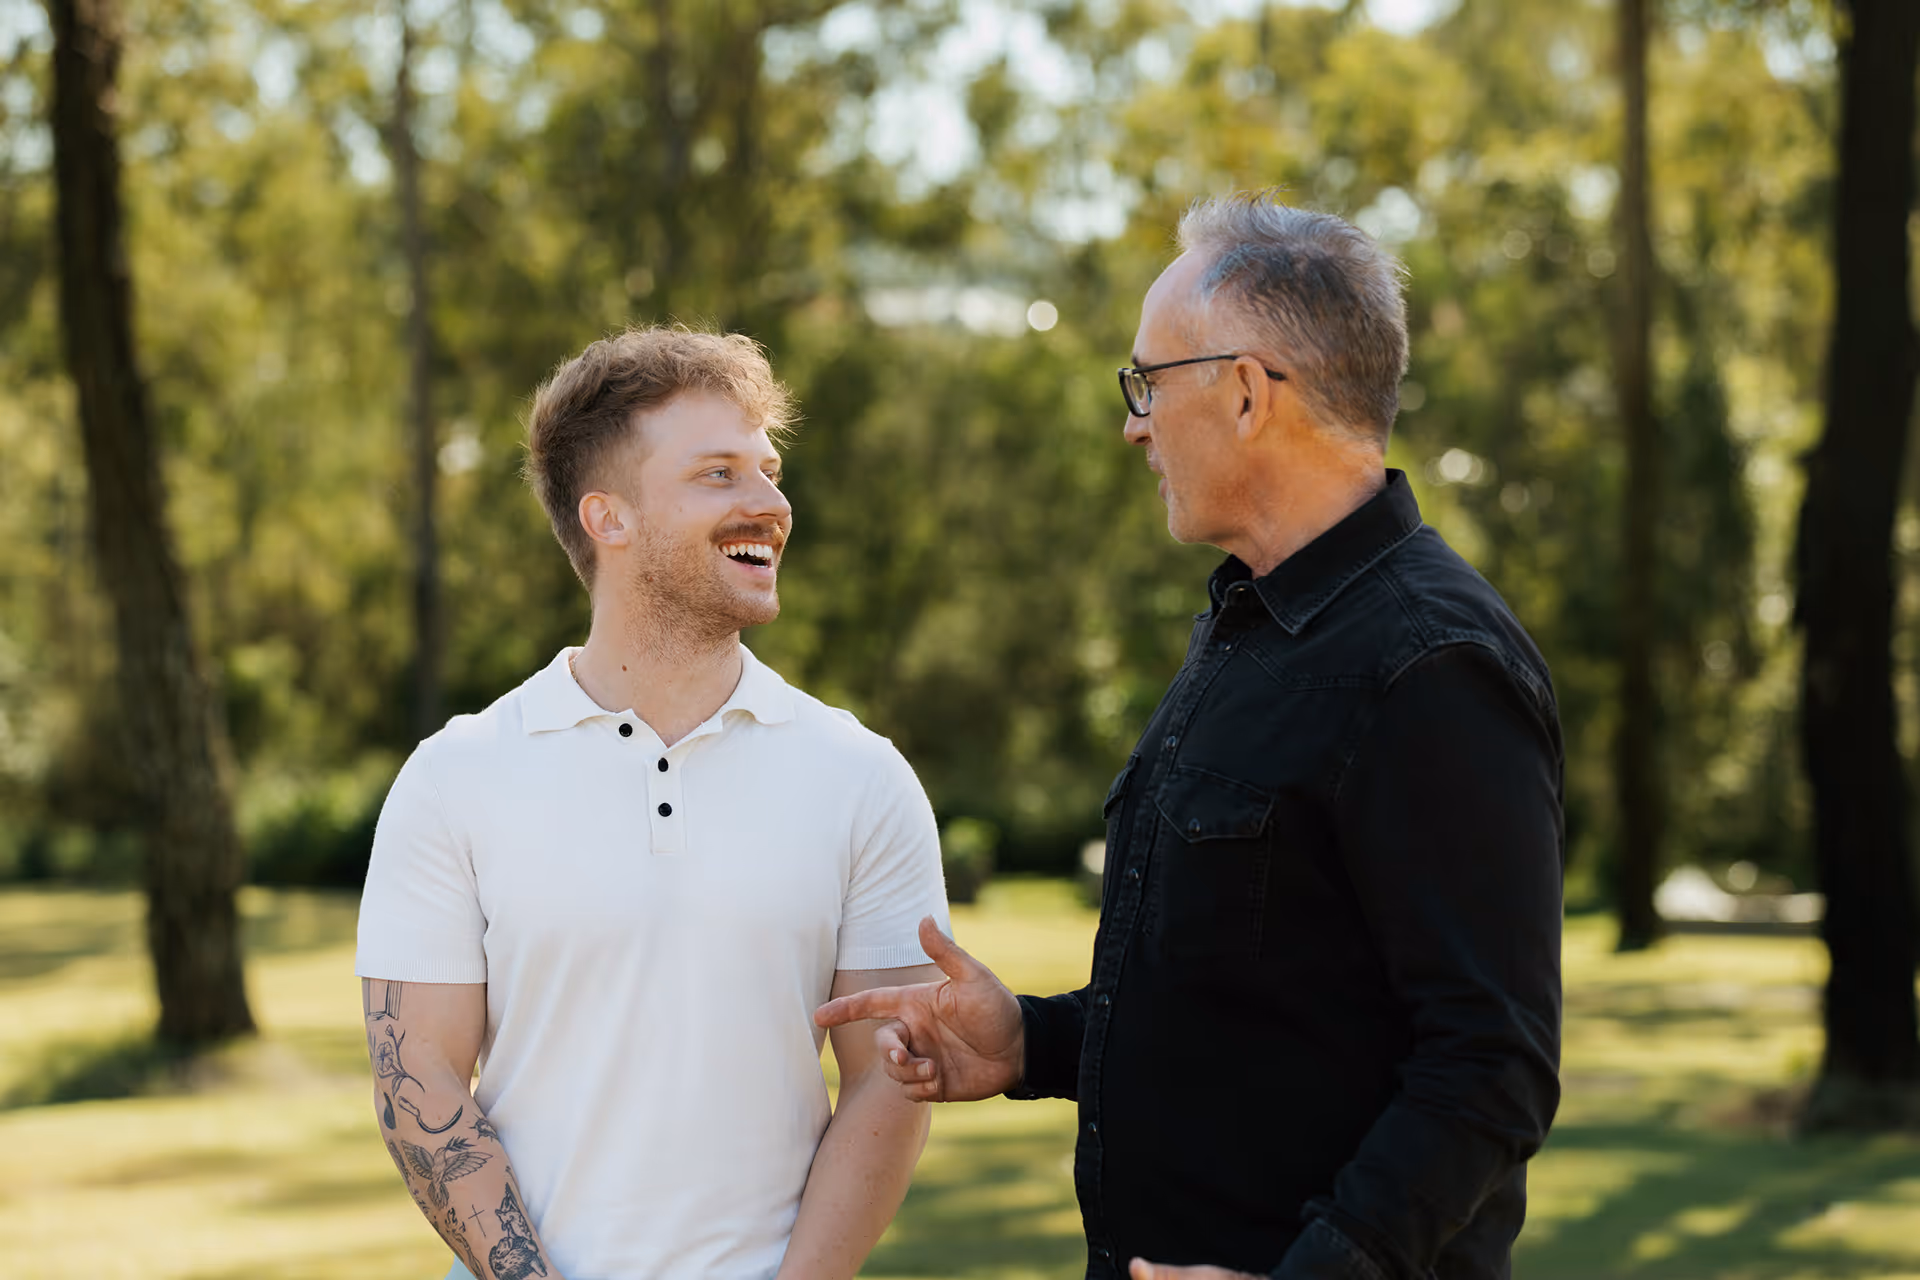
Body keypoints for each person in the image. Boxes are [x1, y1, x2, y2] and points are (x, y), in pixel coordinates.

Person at [816, 193, 1565, 1280]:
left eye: (1146, 384)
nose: (1134, 422)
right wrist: (1031, 1040)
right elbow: (1251, 1008)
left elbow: (1490, 1064)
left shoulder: (1431, 662)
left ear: (1249, 392)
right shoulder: (1246, 625)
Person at [356, 325, 949, 1280]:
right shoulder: (452, 776)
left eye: (768, 467)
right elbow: (416, 1075)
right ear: (610, 518)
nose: (771, 502)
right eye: (718, 474)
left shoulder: (862, 775)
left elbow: (889, 1079)